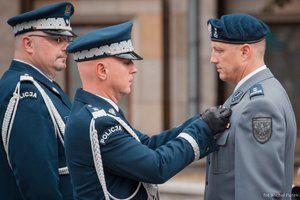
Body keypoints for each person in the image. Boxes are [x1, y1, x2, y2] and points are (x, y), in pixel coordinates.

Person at [64, 20, 231, 199]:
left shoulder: (100, 114)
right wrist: (203, 129)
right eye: (126, 62)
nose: (134, 69)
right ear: (102, 70)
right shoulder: (98, 122)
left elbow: (148, 146)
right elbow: (156, 166)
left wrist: (200, 121)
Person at [204, 13, 297, 200]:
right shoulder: (250, 95)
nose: (213, 59)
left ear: (245, 52)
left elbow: (258, 193)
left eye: (219, 50)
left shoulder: (259, 106)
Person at [0, 2, 76, 200]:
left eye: (67, 39)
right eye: (57, 38)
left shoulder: (45, 87)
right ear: (28, 44)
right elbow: (39, 186)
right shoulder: (26, 93)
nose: (66, 47)